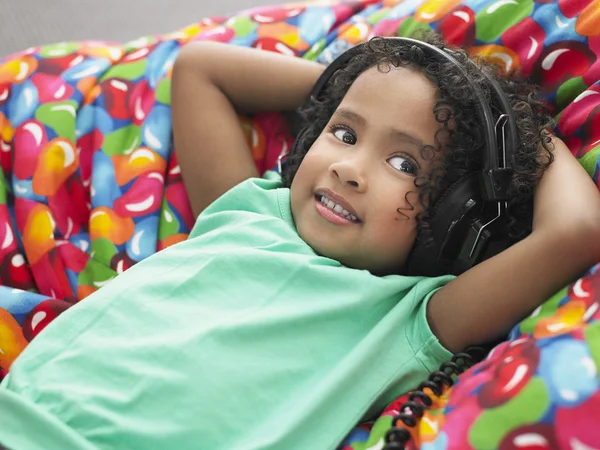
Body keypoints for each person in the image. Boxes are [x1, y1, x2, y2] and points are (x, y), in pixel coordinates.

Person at [0, 32, 599, 450]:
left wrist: (508, 138)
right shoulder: (249, 209)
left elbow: (577, 232)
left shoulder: (409, 319)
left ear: (455, 217)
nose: (349, 168)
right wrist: (377, 85)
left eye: (404, 163)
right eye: (342, 132)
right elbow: (201, 68)